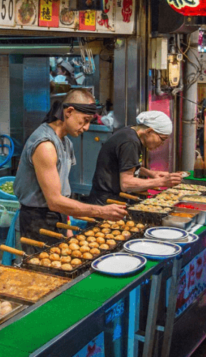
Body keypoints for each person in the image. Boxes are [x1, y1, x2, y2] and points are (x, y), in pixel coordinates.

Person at [15, 89, 127, 253]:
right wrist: (101, 211)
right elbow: (54, 201)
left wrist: (66, 225)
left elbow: (62, 194)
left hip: (56, 217)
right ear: (69, 112)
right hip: (37, 223)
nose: (87, 127)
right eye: (85, 120)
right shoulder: (45, 145)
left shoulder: (65, 143)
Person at [88, 111, 186, 205]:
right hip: (106, 201)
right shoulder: (130, 142)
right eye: (162, 139)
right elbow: (126, 184)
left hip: (109, 197)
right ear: (149, 131)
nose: (161, 144)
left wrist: (151, 173)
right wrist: (160, 182)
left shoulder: (131, 133)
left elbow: (125, 166)